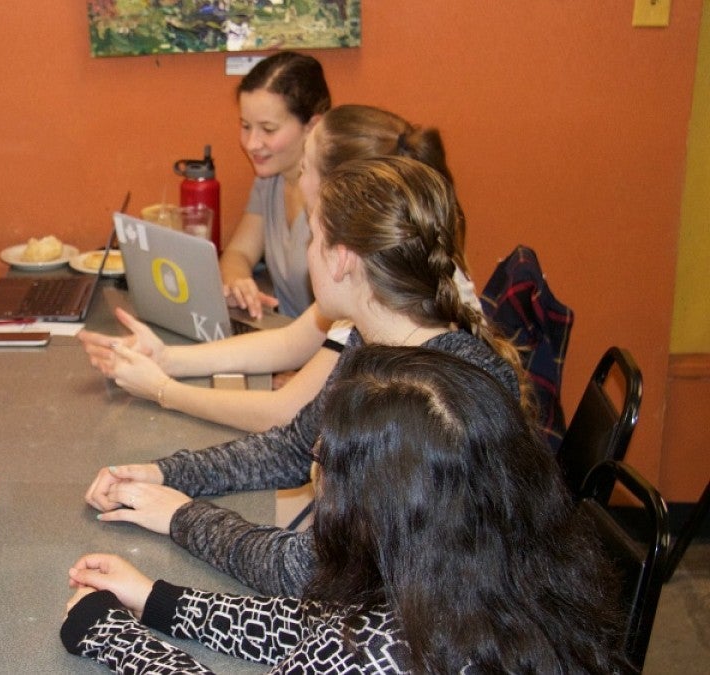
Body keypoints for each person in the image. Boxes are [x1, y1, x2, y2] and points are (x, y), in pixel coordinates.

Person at [84, 156, 532, 598]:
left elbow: (306, 572)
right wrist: (164, 474)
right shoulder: (373, 341)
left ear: (341, 260)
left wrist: (182, 516)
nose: (307, 254)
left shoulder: (414, 406)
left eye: (313, 239)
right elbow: (293, 447)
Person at [63, 346, 630, 673]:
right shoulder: (502, 567)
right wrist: (159, 600)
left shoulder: (384, 652)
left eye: (326, 464)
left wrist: (111, 636)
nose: (316, 466)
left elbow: (338, 644)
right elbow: (319, 629)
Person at [79, 105, 484, 432]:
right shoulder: (374, 263)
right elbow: (291, 342)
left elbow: (286, 413)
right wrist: (169, 359)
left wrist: (163, 391)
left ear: (340, 186)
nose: (297, 178)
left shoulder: (378, 286)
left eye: (305, 168)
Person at [220, 50, 330, 320]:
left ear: (312, 126)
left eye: (268, 129)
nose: (251, 143)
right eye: (246, 126)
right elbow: (238, 253)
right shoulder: (268, 179)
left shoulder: (339, 196)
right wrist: (239, 283)